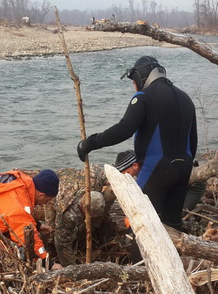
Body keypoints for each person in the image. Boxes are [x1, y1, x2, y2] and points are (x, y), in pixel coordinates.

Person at [77, 56, 197, 231]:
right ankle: (173, 257)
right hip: (183, 169)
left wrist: (89, 143)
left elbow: (124, 129)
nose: (134, 86)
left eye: (134, 81)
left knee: (142, 227)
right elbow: (193, 141)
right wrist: (182, 166)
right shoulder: (186, 99)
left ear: (142, 76)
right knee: (172, 226)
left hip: (156, 168)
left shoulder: (143, 97)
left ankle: (139, 259)